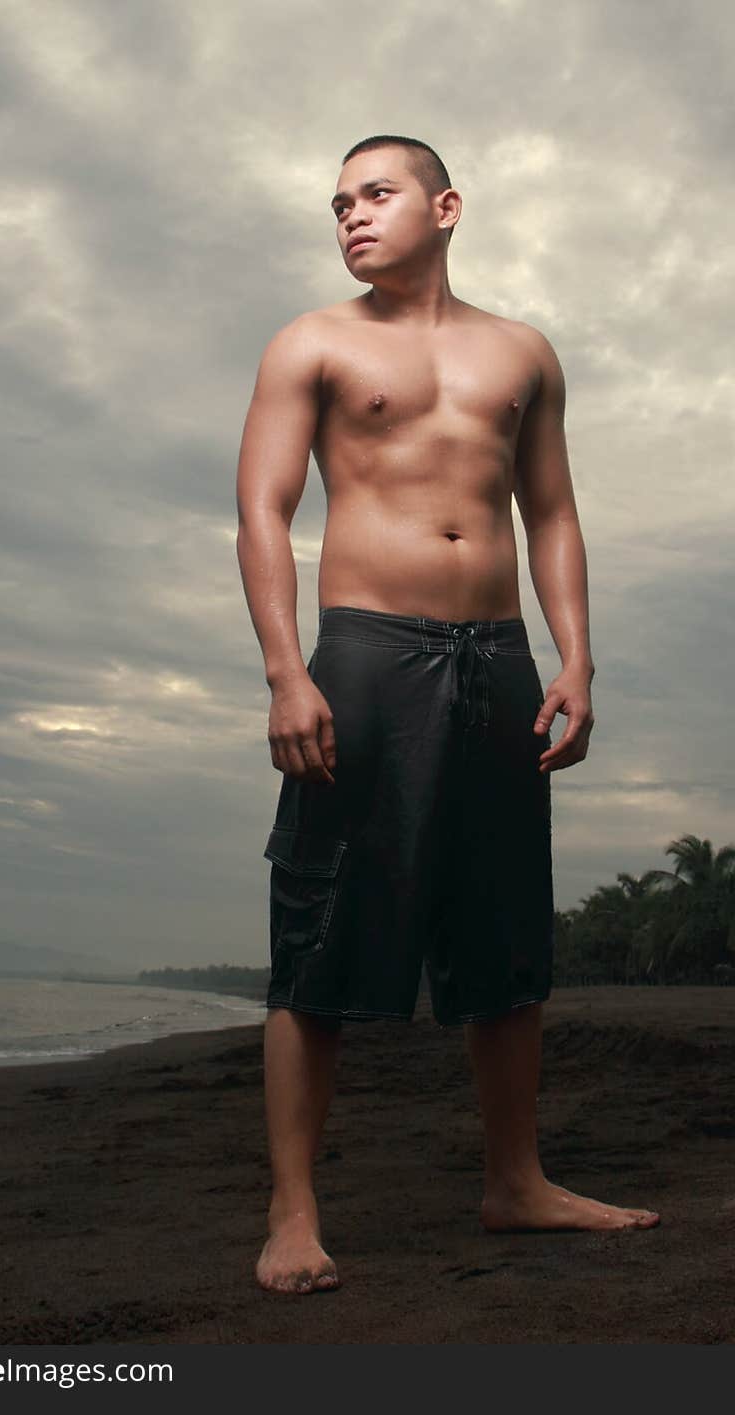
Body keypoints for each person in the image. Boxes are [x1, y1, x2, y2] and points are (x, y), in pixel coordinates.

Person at [235, 134, 660, 1296]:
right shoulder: (311, 342)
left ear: (446, 205)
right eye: (338, 202)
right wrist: (286, 670)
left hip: (500, 655)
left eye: (376, 194)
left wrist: (575, 657)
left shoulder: (522, 352)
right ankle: (293, 1207)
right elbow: (262, 511)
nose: (352, 216)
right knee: (318, 924)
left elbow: (554, 513)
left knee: (504, 923)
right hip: (367, 652)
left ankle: (515, 1181)